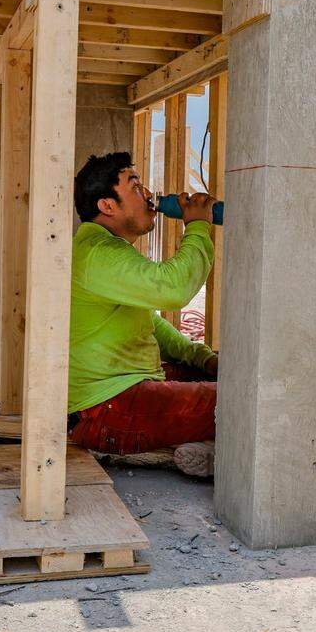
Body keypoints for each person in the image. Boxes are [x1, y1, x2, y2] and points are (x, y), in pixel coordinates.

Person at [67, 151, 219, 477]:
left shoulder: (105, 249)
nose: (148, 194)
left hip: (120, 392)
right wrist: (197, 225)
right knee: (238, 400)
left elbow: (148, 321)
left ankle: (202, 444)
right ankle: (211, 448)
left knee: (227, 377)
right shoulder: (99, 254)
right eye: (135, 186)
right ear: (107, 206)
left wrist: (202, 359)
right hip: (105, 409)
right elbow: (174, 290)